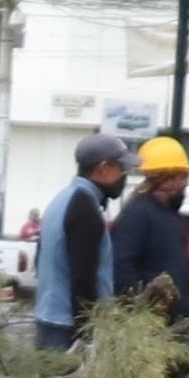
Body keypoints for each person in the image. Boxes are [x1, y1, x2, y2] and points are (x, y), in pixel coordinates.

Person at [101, 134, 189, 317]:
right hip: (155, 323)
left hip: (174, 320)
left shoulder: (166, 213)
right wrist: (137, 314)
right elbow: (121, 266)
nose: (186, 183)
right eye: (182, 176)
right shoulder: (138, 214)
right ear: (166, 178)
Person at [30, 134, 125, 351]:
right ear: (103, 168)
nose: (124, 175)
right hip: (68, 330)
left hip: (49, 320)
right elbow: (83, 277)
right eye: (121, 168)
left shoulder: (62, 199)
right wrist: (87, 336)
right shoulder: (84, 208)